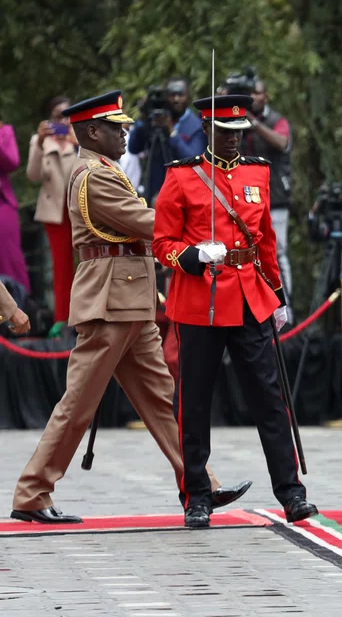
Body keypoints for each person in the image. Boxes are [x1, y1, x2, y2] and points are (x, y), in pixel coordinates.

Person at [10, 91, 249, 524]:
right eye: (116, 127)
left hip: (129, 300)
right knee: (78, 404)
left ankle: (200, 484)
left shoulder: (107, 170)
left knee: (162, 400)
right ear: (91, 131)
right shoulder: (94, 175)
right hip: (109, 302)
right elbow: (147, 223)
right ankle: (32, 492)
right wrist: (202, 223)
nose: (125, 132)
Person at [153, 94, 317, 529]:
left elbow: (265, 242)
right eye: (225, 133)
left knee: (269, 399)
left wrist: (278, 295)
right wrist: (191, 255)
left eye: (239, 133)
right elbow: (162, 244)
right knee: (195, 401)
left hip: (249, 297)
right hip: (200, 299)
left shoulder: (256, 172)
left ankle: (292, 493)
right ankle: (197, 496)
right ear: (206, 130)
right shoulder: (182, 177)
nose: (233, 141)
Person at [27, 95, 79, 327]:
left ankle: (85, 316)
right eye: (58, 116)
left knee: (86, 263)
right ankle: (63, 319)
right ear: (49, 119)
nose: (64, 121)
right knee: (61, 267)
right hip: (54, 211)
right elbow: (33, 175)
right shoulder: (40, 141)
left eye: (67, 115)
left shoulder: (80, 138)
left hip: (79, 209)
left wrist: (78, 142)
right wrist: (39, 144)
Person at [244, 78, 294, 317]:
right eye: (249, 93)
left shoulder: (277, 121)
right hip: (246, 197)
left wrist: (253, 124)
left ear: (266, 96)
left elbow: (282, 143)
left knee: (278, 251)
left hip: (275, 197)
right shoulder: (237, 118)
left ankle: (286, 306)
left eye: (258, 93)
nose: (253, 97)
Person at [128, 76, 206, 204]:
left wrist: (171, 132)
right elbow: (133, 148)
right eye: (172, 95)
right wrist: (143, 117)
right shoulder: (155, 120)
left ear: (188, 96)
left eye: (181, 95)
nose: (176, 99)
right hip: (155, 191)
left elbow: (194, 159)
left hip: (185, 194)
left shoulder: (196, 125)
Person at [0, 120, 29, 294]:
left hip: (2, 205)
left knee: (10, 261)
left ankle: (18, 312)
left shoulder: (4, 131)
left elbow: (12, 162)